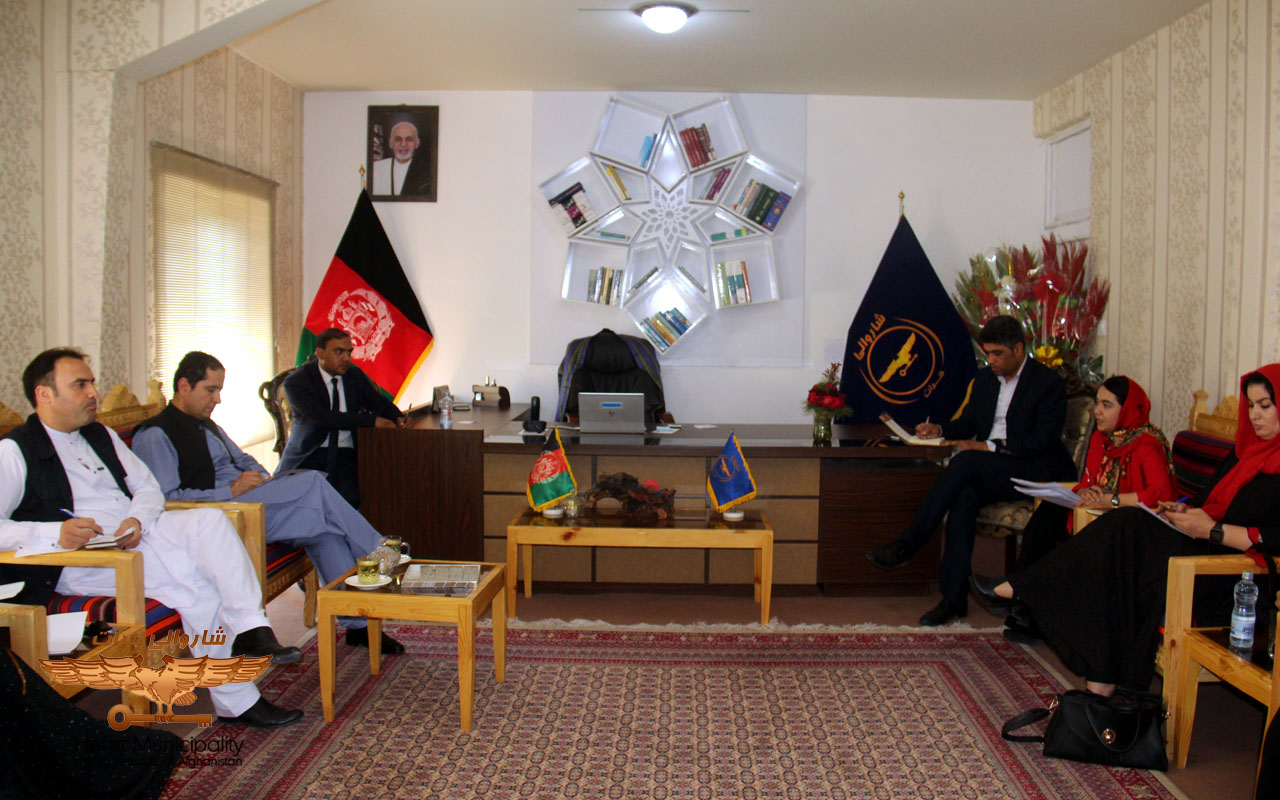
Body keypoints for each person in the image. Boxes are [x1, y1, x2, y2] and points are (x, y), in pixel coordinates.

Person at [0, 348, 304, 727]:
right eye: (80, 385)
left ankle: (251, 630)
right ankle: (239, 698)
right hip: (85, 560)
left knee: (209, 521)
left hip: (136, 535)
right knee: (199, 589)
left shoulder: (99, 434)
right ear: (44, 394)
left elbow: (147, 488)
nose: (93, 392)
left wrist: (136, 519)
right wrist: (54, 533)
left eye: (92, 383)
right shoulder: (15, 451)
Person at [972, 364, 1280, 696]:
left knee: (1126, 527)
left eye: (1264, 405)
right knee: (1116, 560)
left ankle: (1025, 589)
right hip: (1197, 544)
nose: (1255, 415)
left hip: (1229, 575)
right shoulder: (1243, 454)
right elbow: (1206, 501)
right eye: (1250, 406)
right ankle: (1099, 688)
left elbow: (1272, 536)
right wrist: (1182, 510)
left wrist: (1213, 530)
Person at [132, 351, 405, 654]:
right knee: (313, 481)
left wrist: (263, 478)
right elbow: (167, 500)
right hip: (219, 519)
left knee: (324, 529)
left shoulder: (207, 425)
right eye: (211, 390)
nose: (218, 399)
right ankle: (380, 552)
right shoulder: (156, 435)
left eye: (219, 390)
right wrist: (231, 490)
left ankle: (359, 626)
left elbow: (243, 458)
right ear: (184, 386)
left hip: (251, 503)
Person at [865, 315, 1076, 626]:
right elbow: (969, 424)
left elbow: (1041, 439)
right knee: (963, 499)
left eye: (997, 354)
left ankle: (908, 544)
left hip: (1036, 469)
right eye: (987, 353)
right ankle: (953, 599)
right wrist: (938, 428)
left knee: (965, 461)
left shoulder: (1048, 384)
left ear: (1018, 350)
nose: (990, 361)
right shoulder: (985, 380)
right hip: (997, 470)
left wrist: (989, 447)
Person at [1002, 375, 1175, 643]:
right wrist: (1084, 491)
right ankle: (1025, 600)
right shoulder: (1100, 439)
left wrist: (1113, 499)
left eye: (1107, 405)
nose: (1097, 411)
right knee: (1048, 513)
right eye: (1097, 403)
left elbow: (1160, 494)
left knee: (1055, 525)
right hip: (1096, 511)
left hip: (1132, 521)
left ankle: (1022, 596)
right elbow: (1088, 483)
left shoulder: (1146, 443)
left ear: (1126, 409)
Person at [275, 328, 406, 508]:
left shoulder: (354, 376)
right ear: (320, 353)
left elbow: (379, 402)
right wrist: (371, 421)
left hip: (345, 452)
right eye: (338, 352)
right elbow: (323, 418)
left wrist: (398, 416)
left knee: (350, 500)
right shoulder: (298, 382)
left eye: (349, 352)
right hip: (310, 452)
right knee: (300, 502)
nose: (346, 359)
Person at [371, 119, 432, 197]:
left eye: (409, 139)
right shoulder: (376, 168)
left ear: (417, 143)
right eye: (398, 139)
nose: (403, 144)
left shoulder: (426, 171)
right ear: (390, 143)